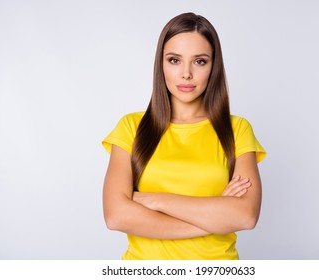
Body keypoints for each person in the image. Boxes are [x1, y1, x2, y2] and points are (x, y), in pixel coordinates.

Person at [101, 12, 266, 260]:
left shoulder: (237, 130)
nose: (186, 73)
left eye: (199, 61)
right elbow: (116, 216)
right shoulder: (131, 127)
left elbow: (246, 216)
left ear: (214, 66)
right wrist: (214, 218)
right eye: (174, 60)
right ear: (161, 64)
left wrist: (155, 201)